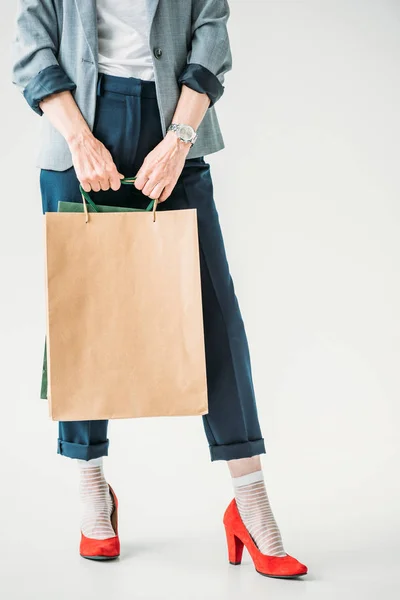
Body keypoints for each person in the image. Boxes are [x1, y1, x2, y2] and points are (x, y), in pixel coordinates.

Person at [11, 0, 307, 578]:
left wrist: (179, 139)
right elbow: (32, 47)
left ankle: (250, 504)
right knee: (81, 315)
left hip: (176, 127)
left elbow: (211, 32)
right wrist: (79, 140)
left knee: (214, 317)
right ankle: (93, 487)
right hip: (77, 130)